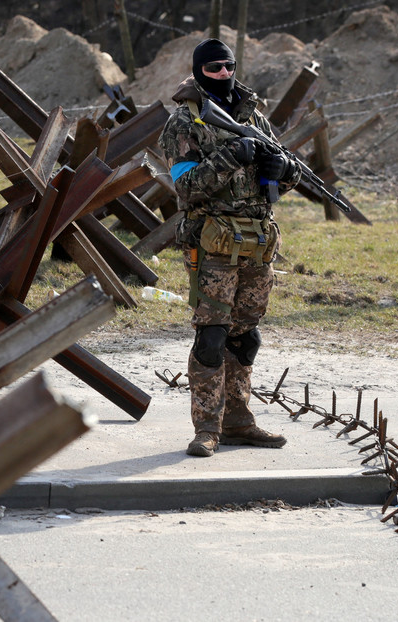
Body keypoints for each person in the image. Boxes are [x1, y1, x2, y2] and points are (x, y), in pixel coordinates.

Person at [158, 38, 301, 457]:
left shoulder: (252, 113)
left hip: (257, 243)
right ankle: (207, 428)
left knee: (246, 337)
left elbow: (276, 184)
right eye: (214, 68)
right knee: (212, 337)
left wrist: (284, 171)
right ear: (199, 70)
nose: (223, 74)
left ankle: (239, 421)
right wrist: (231, 157)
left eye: (229, 66)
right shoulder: (184, 123)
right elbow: (185, 186)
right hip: (212, 242)